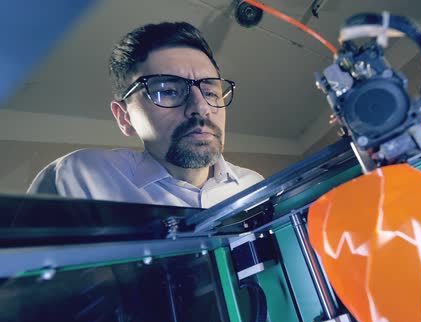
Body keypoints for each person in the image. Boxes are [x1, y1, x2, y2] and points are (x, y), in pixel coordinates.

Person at [27, 21, 263, 208]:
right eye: (169, 91)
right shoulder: (80, 176)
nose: (201, 107)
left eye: (211, 92)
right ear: (125, 117)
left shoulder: (255, 187)